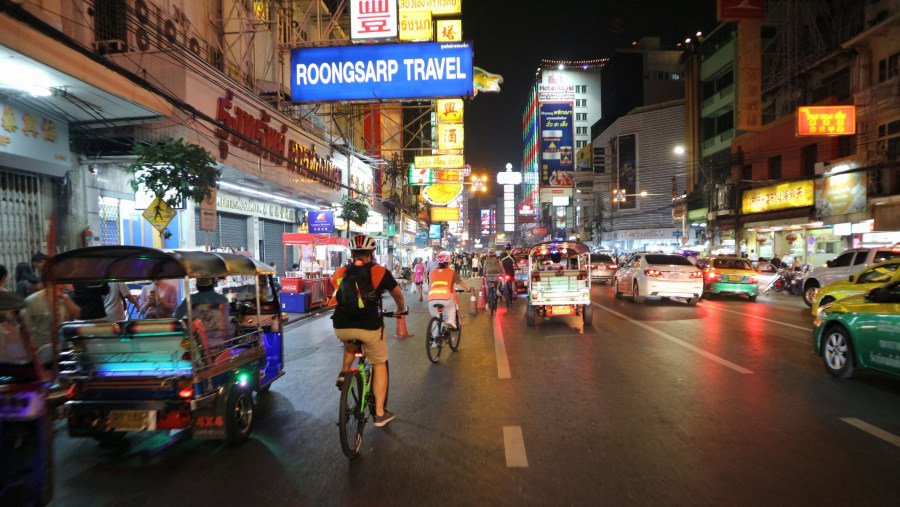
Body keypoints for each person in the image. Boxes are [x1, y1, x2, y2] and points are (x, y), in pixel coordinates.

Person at [330, 234, 405, 428]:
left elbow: (337, 295)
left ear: (352, 253)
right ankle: (380, 414)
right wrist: (400, 310)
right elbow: (397, 293)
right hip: (369, 327)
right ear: (372, 254)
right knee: (379, 363)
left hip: (341, 327)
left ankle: (344, 373)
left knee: (350, 344)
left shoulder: (340, 272)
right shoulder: (379, 271)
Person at [21, 283, 81, 370]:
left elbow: (77, 314)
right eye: (57, 284)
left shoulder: (63, 299)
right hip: (42, 350)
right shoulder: (32, 301)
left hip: (63, 348)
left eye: (61, 284)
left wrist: (66, 299)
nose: (61, 286)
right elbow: (25, 329)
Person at [427, 251, 471, 332]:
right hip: (446, 297)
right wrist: (468, 289)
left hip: (431, 298)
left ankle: (434, 341)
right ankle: (450, 322)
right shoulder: (451, 272)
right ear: (448, 262)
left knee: (435, 319)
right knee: (451, 309)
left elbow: (430, 285)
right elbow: (461, 282)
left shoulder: (432, 272)